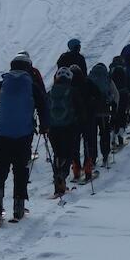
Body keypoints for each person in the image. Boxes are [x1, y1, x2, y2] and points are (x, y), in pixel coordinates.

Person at [0, 52, 49, 224]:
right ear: (28, 68)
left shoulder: (2, 84)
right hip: (24, 134)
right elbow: (44, 106)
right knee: (20, 168)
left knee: (0, 167)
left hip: (2, 134)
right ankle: (18, 208)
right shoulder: (31, 86)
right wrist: (44, 126)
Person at [46, 66, 82, 196]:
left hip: (53, 129)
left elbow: (45, 108)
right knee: (68, 153)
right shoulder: (72, 91)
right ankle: (62, 175)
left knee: (57, 154)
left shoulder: (50, 92)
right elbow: (80, 109)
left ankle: (57, 180)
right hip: (69, 127)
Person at [87, 61, 119, 165]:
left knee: (92, 135)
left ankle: (92, 158)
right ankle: (105, 155)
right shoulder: (107, 78)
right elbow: (116, 94)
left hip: (92, 111)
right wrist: (114, 107)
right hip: (104, 110)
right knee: (104, 133)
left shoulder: (89, 78)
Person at [109, 56, 130, 144]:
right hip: (124, 94)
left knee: (114, 114)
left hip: (113, 95)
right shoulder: (124, 70)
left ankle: (113, 136)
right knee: (122, 114)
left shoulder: (111, 70)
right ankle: (120, 135)